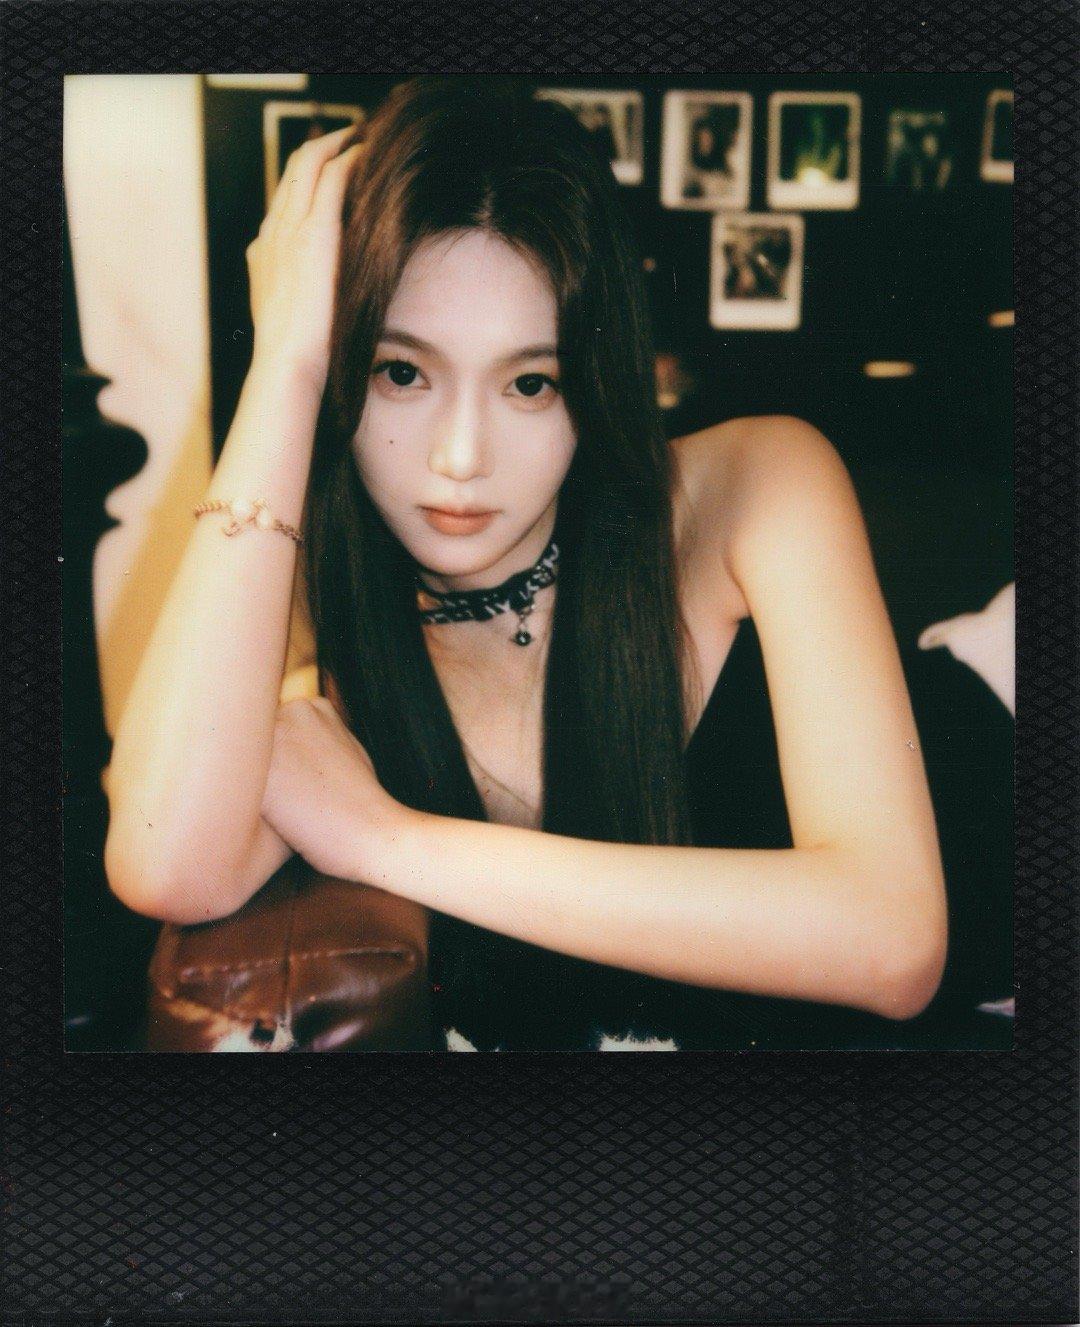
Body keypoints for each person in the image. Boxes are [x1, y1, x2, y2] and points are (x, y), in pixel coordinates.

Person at [103, 76, 947, 1051]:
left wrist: (388, 839)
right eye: (401, 371)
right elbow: (166, 865)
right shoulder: (317, 611)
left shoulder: (757, 484)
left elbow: (894, 944)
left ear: (596, 379)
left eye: (531, 383)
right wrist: (284, 364)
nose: (461, 457)